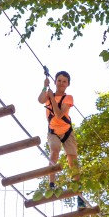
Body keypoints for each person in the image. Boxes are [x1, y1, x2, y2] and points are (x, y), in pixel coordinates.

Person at [38, 71, 86, 208]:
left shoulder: (68, 98)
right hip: (53, 132)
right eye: (59, 80)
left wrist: (52, 98)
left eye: (64, 81)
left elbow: (59, 115)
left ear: (68, 84)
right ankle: (51, 185)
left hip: (67, 132)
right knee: (54, 151)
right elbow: (40, 100)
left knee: (73, 162)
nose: (61, 83)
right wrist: (44, 87)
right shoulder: (48, 94)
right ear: (55, 82)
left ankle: (79, 195)